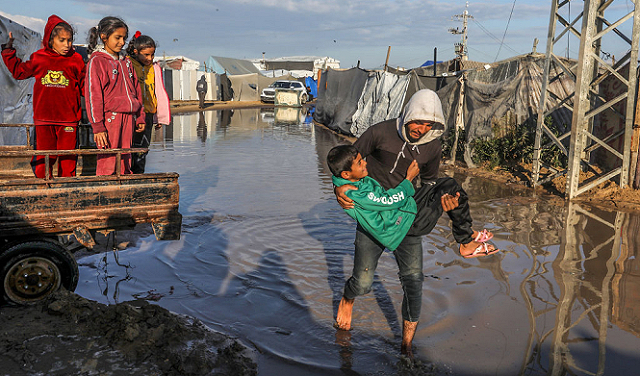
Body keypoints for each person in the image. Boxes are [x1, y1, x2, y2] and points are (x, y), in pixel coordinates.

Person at [334, 89, 498, 358]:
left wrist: (442, 201)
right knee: (363, 283)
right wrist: (338, 189)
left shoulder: (433, 144)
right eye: (417, 122)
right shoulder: (380, 132)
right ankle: (348, 298)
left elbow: (430, 183)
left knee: (413, 280)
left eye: (428, 124)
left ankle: (407, 345)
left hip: (405, 214)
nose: (421, 129)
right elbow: (346, 161)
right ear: (407, 115)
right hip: (375, 218)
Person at [1, 15, 85, 178]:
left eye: (69, 40)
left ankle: (66, 190)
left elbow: (85, 87)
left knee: (68, 158)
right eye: (62, 40)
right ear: (50, 39)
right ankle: (42, 188)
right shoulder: (39, 58)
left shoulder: (76, 60)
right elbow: (19, 72)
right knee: (44, 156)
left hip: (68, 119)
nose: (67, 45)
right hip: (44, 119)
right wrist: (8, 52)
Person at [85, 16, 145, 176]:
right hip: (110, 119)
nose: (122, 42)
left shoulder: (126, 62)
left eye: (124, 38)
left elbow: (136, 91)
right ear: (104, 36)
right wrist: (98, 126)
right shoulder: (97, 62)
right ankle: (105, 191)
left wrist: (140, 116)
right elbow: (93, 96)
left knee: (125, 159)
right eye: (117, 37)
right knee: (108, 159)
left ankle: (123, 188)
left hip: (128, 118)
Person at [126, 31, 171, 174]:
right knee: (129, 147)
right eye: (146, 55)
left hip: (148, 115)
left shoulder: (154, 68)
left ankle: (139, 176)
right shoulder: (128, 65)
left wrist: (159, 116)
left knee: (143, 149)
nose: (149, 58)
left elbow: (158, 92)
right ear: (135, 51)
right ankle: (128, 176)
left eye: (152, 54)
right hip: (132, 114)